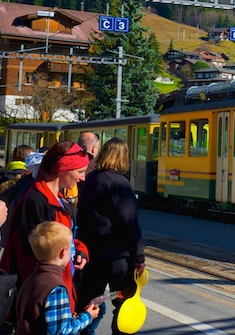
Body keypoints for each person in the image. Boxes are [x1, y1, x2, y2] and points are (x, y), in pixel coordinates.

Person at [0, 141, 90, 312]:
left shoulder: (58, 200)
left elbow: (65, 238)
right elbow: (29, 258)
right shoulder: (37, 202)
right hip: (46, 299)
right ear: (61, 169)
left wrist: (80, 251)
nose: (82, 178)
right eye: (79, 172)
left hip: (58, 290)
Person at [76, 138, 144, 335]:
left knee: (87, 304)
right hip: (118, 258)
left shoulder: (90, 180)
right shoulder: (120, 183)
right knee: (122, 305)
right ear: (123, 157)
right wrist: (139, 256)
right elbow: (130, 222)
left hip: (92, 255)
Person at [14, 221, 99, 335]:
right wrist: (88, 316)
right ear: (63, 252)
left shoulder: (33, 279)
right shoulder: (56, 288)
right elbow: (61, 331)